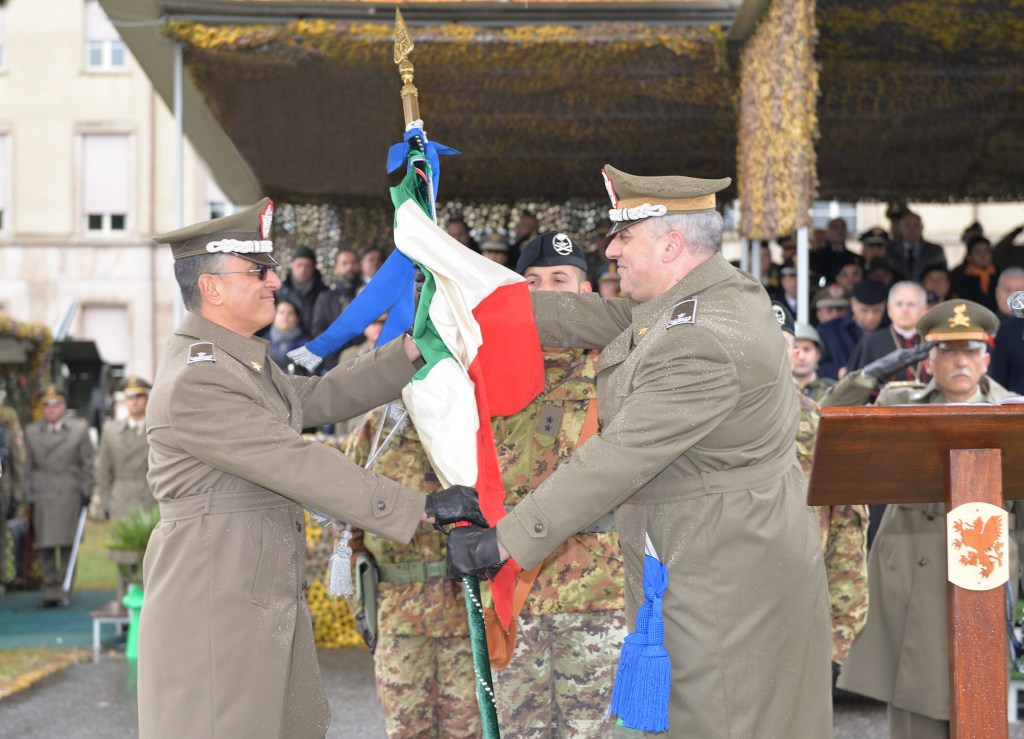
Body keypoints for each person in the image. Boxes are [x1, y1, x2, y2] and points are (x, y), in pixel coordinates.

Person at [446, 165, 832, 737]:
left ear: (672, 244)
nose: (611, 250)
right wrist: (459, 301)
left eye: (625, 236)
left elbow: (618, 456)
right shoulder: (706, 299)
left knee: (717, 718)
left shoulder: (704, 336)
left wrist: (506, 540)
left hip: (722, 572)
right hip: (706, 550)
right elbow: (583, 316)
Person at [138, 198, 485, 738]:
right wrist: (421, 506)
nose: (274, 281)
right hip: (217, 606)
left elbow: (319, 396)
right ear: (212, 287)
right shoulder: (198, 379)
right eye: (258, 271)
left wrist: (413, 351)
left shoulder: (237, 365)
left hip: (253, 596)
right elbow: (296, 464)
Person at [825, 299, 1020, 738]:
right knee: (916, 712)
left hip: (983, 568)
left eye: (970, 350)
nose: (960, 361)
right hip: (912, 572)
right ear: (928, 360)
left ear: (986, 358)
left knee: (981, 701)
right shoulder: (899, 401)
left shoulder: (1012, 411)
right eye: (947, 351)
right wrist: (872, 371)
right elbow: (831, 421)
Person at [490, 231, 628, 737]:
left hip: (598, 597)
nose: (545, 292)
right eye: (532, 281)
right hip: (512, 593)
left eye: (559, 280)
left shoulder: (620, 371)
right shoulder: (489, 374)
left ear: (588, 294)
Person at [344, 408, 480, 739]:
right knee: (407, 729)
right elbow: (347, 527)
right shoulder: (375, 431)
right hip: (398, 615)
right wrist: (360, 607)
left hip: (466, 614)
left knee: (468, 729)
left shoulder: (468, 420)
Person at [775, 302, 868, 677]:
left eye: (777, 344)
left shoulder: (823, 427)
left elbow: (848, 540)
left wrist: (836, 644)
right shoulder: (705, 422)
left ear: (795, 354)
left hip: (802, 628)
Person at [23, 386, 94, 608]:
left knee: (66, 545)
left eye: (56, 404)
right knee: (44, 545)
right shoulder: (32, 432)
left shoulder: (79, 430)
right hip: (42, 493)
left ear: (64, 406)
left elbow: (87, 463)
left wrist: (87, 491)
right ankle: (49, 590)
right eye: (47, 405)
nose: (51, 409)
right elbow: (27, 467)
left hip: (68, 491)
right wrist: (28, 495)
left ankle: (63, 589)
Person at [846, 281, 930, 385]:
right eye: (899, 304)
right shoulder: (870, 343)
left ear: (924, 310)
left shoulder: (932, 341)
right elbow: (856, 387)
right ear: (889, 309)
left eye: (911, 304)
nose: (905, 310)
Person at [817, 278, 888, 379]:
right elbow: (815, 366)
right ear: (853, 305)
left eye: (876, 311)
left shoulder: (892, 331)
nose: (870, 317)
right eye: (864, 310)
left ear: (885, 307)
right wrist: (839, 372)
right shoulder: (828, 331)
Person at [310, 247, 364, 373]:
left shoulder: (367, 295)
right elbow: (317, 331)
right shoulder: (325, 298)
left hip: (364, 360)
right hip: (333, 366)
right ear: (336, 268)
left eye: (353, 262)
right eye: (345, 263)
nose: (350, 267)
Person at [275, 245, 328, 336]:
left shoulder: (325, 293)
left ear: (313, 267)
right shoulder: (279, 291)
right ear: (292, 265)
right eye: (299, 265)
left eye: (307, 266)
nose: (303, 270)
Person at [886, 211, 947, 282]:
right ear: (900, 228)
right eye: (907, 226)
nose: (912, 231)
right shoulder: (889, 250)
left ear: (921, 228)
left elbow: (942, 277)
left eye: (916, 226)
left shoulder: (935, 252)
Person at [791, 322, 836, 402]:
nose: (801, 357)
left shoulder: (833, 390)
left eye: (807, 349)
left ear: (818, 354)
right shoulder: (776, 391)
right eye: (795, 349)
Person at [950, 235, 997, 310]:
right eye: (978, 252)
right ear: (969, 256)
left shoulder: (1001, 275)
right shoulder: (958, 277)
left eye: (986, 251)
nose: (983, 255)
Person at [267, 299, 311, 375]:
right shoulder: (261, 342)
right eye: (281, 312)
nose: (285, 316)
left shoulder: (308, 346)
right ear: (273, 317)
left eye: (290, 313)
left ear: (297, 319)